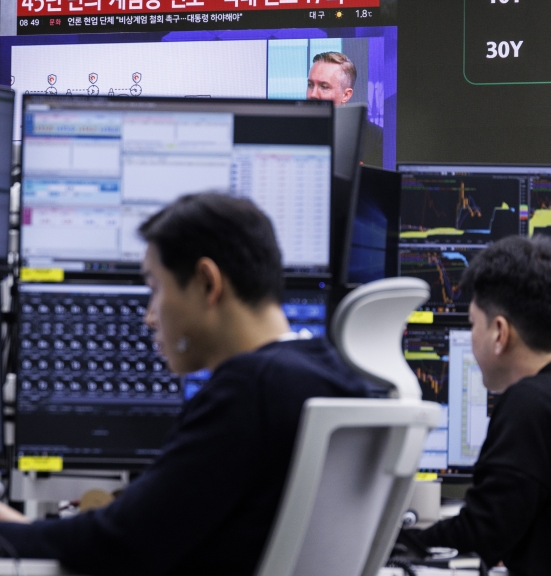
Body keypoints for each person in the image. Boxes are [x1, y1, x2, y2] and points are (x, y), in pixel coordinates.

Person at [0, 193, 368, 575]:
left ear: (207, 283)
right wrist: (23, 529)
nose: (149, 317)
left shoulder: (250, 390)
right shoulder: (328, 375)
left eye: (156, 288)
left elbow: (119, 543)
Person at [417, 235, 551, 576]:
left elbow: (482, 531)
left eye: (473, 324)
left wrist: (398, 540)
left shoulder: (530, 403)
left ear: (499, 333)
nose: (471, 337)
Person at [307, 51, 383, 166]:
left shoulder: (374, 138)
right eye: (310, 85)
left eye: (324, 86)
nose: (313, 94)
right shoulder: (289, 131)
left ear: (346, 95)